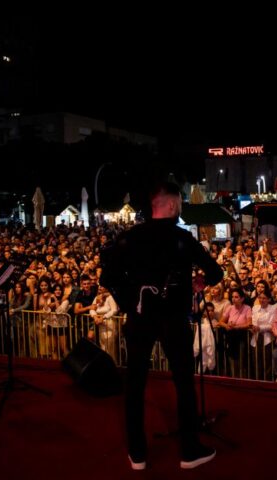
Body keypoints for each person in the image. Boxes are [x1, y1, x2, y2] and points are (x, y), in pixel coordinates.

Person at [100, 182, 223, 471]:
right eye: (178, 202)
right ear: (169, 204)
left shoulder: (130, 237)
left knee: (135, 384)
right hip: (174, 319)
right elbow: (215, 272)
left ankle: (137, 454)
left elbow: (107, 278)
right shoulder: (183, 238)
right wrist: (200, 281)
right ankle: (189, 451)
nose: (180, 207)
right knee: (183, 384)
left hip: (140, 318)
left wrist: (130, 301)